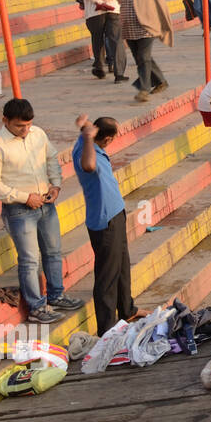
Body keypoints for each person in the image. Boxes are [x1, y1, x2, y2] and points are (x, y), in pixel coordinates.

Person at [0, 99, 82, 324]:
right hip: (19, 209)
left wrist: (55, 184)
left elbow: (51, 159)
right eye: (19, 126)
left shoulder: (37, 134)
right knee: (29, 260)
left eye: (28, 125)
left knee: (53, 252)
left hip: (46, 202)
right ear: (5, 121)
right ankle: (36, 307)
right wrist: (26, 197)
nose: (25, 130)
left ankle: (56, 296)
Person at [72, 114, 133, 333]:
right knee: (107, 276)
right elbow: (88, 166)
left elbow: (89, 128)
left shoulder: (89, 139)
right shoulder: (86, 150)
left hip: (116, 213)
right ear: (106, 139)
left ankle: (128, 309)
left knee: (123, 265)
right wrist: (87, 136)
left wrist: (85, 127)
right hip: (105, 220)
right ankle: (106, 329)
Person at [110, 0, 172, 104]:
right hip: (128, 28)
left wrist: (162, 22)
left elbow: (159, 1)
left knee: (143, 57)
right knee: (141, 58)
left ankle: (143, 90)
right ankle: (161, 81)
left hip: (145, 27)